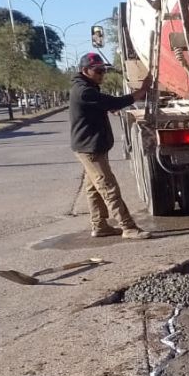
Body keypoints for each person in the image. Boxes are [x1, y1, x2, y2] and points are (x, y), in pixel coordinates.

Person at [70, 52, 152, 239]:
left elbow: (102, 106)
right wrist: (140, 92)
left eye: (103, 71)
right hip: (90, 149)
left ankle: (99, 226)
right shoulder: (85, 91)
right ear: (85, 70)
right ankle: (128, 227)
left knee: (93, 189)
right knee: (108, 187)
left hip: (91, 146)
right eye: (98, 71)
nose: (102, 74)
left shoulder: (88, 87)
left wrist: (107, 108)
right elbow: (114, 101)